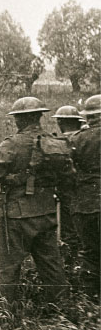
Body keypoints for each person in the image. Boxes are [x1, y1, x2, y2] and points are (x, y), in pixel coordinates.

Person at [0, 97, 71, 306]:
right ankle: (63, 310)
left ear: (19, 120)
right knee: (51, 264)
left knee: (9, 266)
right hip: (47, 211)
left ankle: (3, 314)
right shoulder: (54, 141)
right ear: (39, 116)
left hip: (17, 215)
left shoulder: (13, 143)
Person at [70, 95, 101, 298]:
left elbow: (66, 170)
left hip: (85, 205)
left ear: (87, 118)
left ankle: (90, 302)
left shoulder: (76, 140)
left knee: (90, 252)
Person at [51, 106, 84, 270]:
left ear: (60, 122)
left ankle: (70, 264)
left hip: (65, 192)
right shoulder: (85, 138)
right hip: (87, 192)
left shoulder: (58, 143)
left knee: (68, 229)